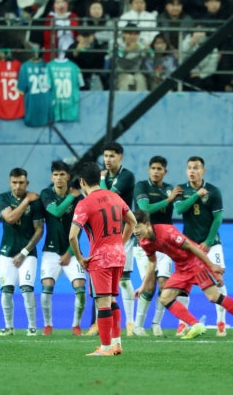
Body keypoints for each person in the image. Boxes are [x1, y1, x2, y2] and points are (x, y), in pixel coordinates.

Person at [133, 209, 233, 340]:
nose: (135, 231)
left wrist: (211, 265)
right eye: (133, 227)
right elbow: (152, 263)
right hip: (181, 267)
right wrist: (142, 287)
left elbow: (191, 246)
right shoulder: (144, 242)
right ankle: (196, 325)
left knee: (214, 297)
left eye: (137, 227)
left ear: (147, 224)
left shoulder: (167, 231)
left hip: (195, 262)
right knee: (165, 298)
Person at [68, 161, 137, 356]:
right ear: (99, 178)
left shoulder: (84, 204)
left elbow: (72, 236)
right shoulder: (114, 196)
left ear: (82, 182)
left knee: (103, 303)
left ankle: (105, 348)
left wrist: (80, 258)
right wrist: (120, 243)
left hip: (100, 258)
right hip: (119, 255)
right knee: (112, 299)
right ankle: (117, 344)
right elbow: (132, 221)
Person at [173, 156, 227, 337]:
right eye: (189, 167)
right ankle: (182, 323)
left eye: (196, 168)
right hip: (188, 245)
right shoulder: (181, 190)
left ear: (203, 171)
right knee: (183, 283)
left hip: (211, 244)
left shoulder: (214, 191)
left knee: (218, 279)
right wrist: (196, 195)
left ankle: (221, 322)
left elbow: (218, 219)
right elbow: (179, 209)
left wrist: (209, 242)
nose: (192, 171)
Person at [132, 156, 182, 337]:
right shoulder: (141, 186)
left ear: (165, 172)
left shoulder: (170, 189)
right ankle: (138, 325)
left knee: (164, 285)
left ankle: (156, 324)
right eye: (153, 168)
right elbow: (144, 209)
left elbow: (180, 207)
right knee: (149, 285)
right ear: (148, 170)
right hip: (144, 244)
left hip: (165, 244)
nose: (155, 171)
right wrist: (168, 200)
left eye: (159, 169)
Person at [0, 167, 44, 336]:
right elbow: (10, 218)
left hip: (28, 253)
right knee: (6, 291)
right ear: (10, 182)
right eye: (14, 182)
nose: (18, 186)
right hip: (6, 252)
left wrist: (24, 252)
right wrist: (26, 201)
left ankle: (32, 327)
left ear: (27, 183)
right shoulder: (2, 198)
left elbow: (39, 230)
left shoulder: (36, 202)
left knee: (27, 290)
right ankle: (9, 327)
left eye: (21, 182)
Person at [39, 161, 86, 336]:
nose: (58, 178)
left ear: (68, 177)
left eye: (62, 174)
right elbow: (57, 212)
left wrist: (69, 252)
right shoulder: (46, 194)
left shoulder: (80, 199)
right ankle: (48, 325)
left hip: (72, 252)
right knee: (46, 290)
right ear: (52, 177)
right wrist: (71, 197)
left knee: (80, 291)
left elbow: (79, 229)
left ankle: (76, 326)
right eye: (55, 174)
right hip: (51, 251)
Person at [95, 142, 136, 337]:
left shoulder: (127, 176)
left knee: (124, 280)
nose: (108, 159)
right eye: (105, 156)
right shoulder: (104, 176)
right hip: (104, 235)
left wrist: (102, 178)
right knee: (101, 281)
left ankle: (130, 322)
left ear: (120, 157)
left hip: (122, 234)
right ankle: (100, 323)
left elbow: (107, 197)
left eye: (112, 156)